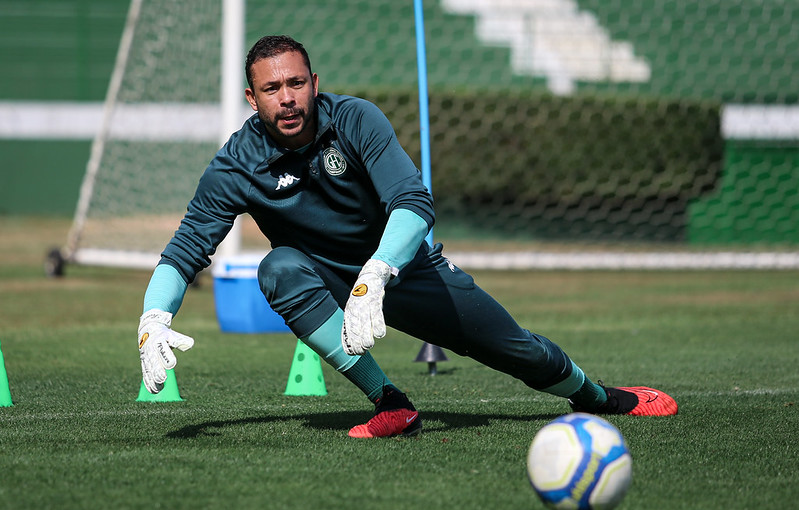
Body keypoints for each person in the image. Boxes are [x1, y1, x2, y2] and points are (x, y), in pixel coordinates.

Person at [137, 35, 677, 438]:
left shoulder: (356, 119)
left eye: (297, 83)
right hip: (323, 276)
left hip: (406, 270)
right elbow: (186, 250)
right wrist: (154, 317)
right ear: (252, 99)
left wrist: (377, 273)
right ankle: (390, 402)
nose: (288, 98)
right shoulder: (235, 165)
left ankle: (596, 397)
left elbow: (414, 203)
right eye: (272, 88)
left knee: (523, 353)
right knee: (277, 270)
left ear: (315, 84)